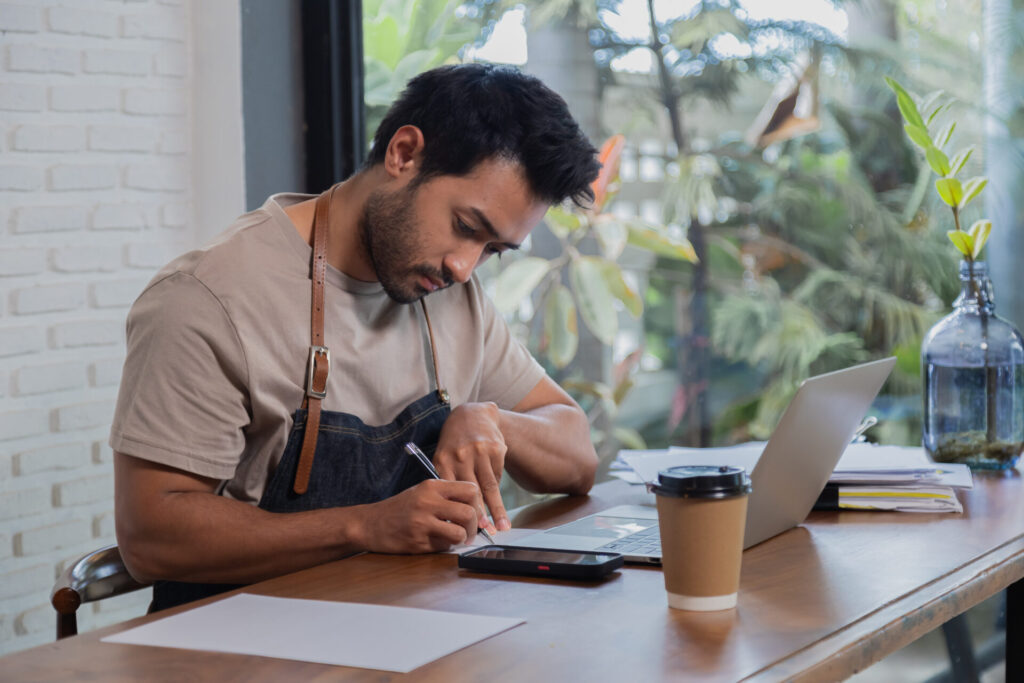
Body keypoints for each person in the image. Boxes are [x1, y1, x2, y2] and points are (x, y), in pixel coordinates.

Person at [110, 63, 603, 610]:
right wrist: (364, 528)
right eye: (466, 227)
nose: (465, 266)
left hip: (404, 625)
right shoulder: (209, 297)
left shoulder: (451, 291)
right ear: (404, 154)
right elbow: (150, 536)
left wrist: (492, 419)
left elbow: (577, 456)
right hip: (238, 644)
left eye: (493, 250)